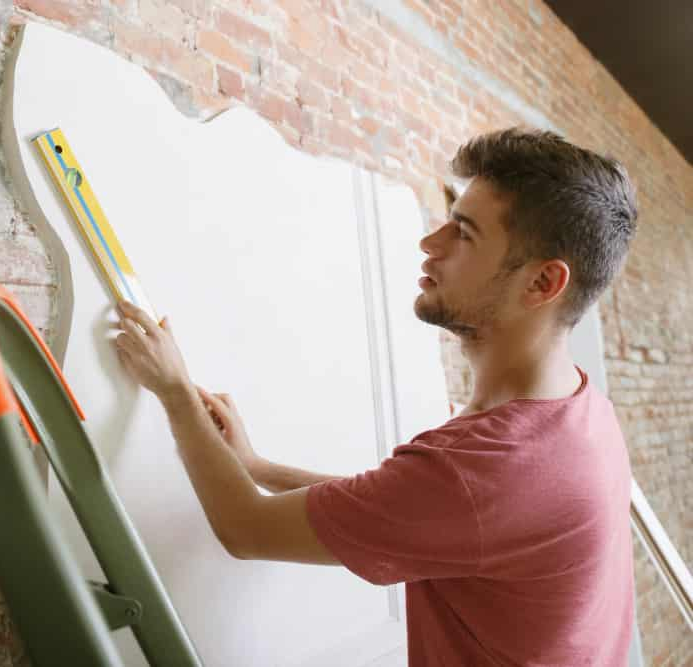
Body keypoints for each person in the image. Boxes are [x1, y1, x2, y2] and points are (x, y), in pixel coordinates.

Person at [112, 127, 638, 666]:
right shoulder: (583, 412)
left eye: (465, 233)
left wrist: (174, 390)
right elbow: (411, 509)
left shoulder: (484, 470)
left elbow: (246, 529)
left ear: (542, 283)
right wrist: (255, 465)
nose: (430, 244)